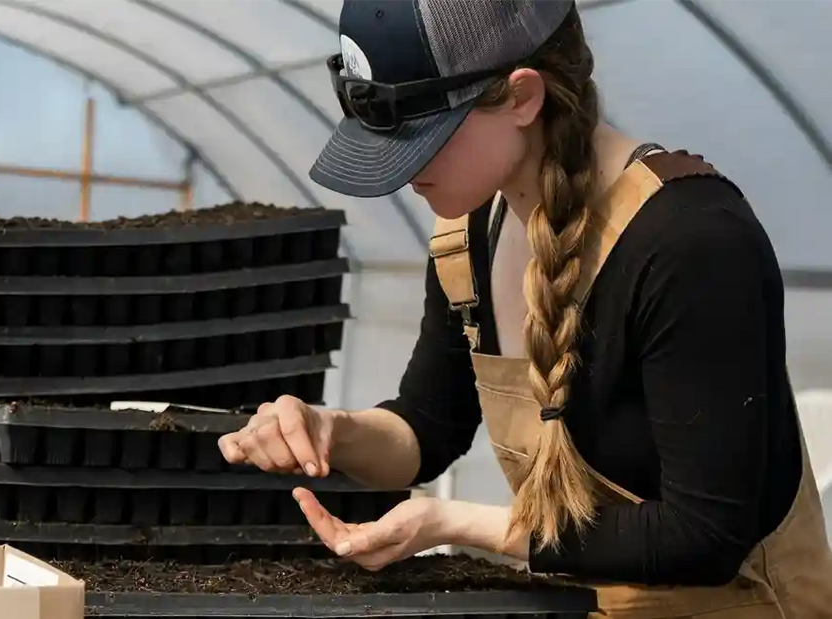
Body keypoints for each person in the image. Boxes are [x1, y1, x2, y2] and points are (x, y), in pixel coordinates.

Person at [217, 0, 832, 616]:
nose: (403, 174)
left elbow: (705, 536)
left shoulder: (691, 243)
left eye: (423, 137)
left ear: (521, 98)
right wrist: (334, 431)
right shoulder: (470, 231)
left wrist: (459, 523)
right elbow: (427, 428)